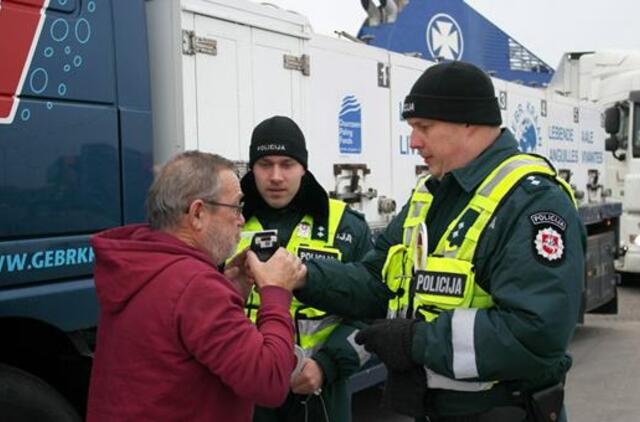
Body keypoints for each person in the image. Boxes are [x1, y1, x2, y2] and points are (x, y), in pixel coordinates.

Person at [292, 61, 585, 421]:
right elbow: (375, 280)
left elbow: (535, 334)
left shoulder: (531, 201)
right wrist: (303, 276)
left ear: (468, 123)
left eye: (424, 127)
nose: (414, 141)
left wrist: (415, 341)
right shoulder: (431, 195)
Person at [86, 151, 306, 422]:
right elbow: (269, 382)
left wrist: (229, 291)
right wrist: (275, 291)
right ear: (198, 213)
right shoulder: (196, 286)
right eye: (236, 207)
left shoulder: (141, 264)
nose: (241, 219)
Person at [236, 116, 373, 422]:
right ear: (251, 168)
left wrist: (326, 366)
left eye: (287, 164)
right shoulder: (227, 222)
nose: (275, 176)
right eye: (265, 164)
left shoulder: (346, 226)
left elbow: (372, 312)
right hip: (242, 396)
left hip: (320, 396)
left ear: (304, 167)